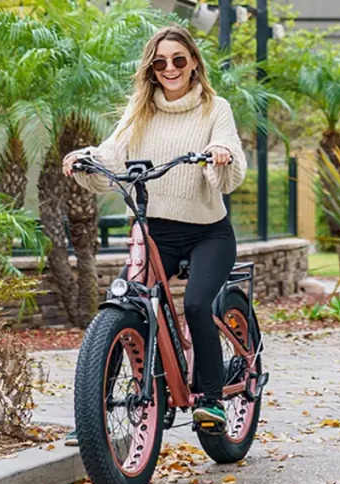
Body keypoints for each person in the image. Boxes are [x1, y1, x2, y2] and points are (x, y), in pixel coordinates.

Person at [62, 25, 247, 442]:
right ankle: (92, 418)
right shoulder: (140, 109)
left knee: (198, 304)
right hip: (154, 231)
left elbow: (230, 155)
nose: (170, 68)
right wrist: (87, 158)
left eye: (179, 60)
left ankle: (212, 400)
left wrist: (220, 157)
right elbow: (112, 150)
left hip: (208, 233)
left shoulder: (215, 108)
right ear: (151, 68)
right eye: (160, 62)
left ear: (194, 63)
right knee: (126, 302)